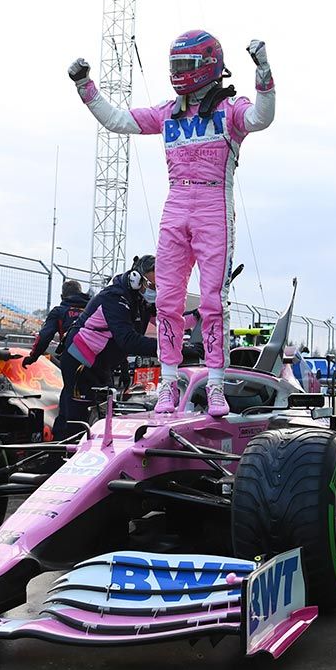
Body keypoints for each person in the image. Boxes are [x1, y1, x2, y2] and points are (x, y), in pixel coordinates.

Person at [70, 30, 275, 417]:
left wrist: (263, 71)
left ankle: (216, 386)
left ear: (208, 65)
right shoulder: (168, 112)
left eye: (186, 66)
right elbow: (117, 120)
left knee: (213, 301)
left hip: (214, 204)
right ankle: (168, 383)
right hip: (176, 204)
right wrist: (85, 86)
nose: (179, 73)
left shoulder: (230, 109)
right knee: (166, 300)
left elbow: (261, 117)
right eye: (175, 66)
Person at [52, 255, 163, 440]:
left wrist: (199, 314)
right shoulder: (115, 297)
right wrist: (170, 348)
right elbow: (127, 340)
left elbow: (169, 320)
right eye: (152, 286)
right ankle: (62, 458)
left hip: (102, 363)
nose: (154, 291)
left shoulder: (140, 300)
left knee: (101, 414)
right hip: (81, 362)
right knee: (77, 419)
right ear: (136, 278)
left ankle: (75, 455)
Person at [23, 280, 90, 367]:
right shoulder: (93, 309)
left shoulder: (58, 312)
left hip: (72, 356)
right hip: (98, 357)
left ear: (62, 297)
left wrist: (33, 357)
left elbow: (44, 337)